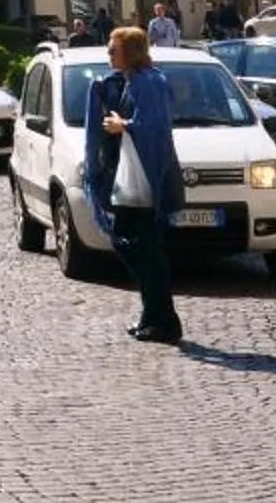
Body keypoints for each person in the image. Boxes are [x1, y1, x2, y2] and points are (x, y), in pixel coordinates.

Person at [84, 26, 184, 345]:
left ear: (131, 52)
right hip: (135, 183)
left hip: (147, 183)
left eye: (114, 50)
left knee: (146, 252)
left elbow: (153, 127)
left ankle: (164, 319)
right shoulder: (132, 80)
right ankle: (153, 313)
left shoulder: (148, 82)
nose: (108, 55)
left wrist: (121, 125)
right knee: (132, 247)